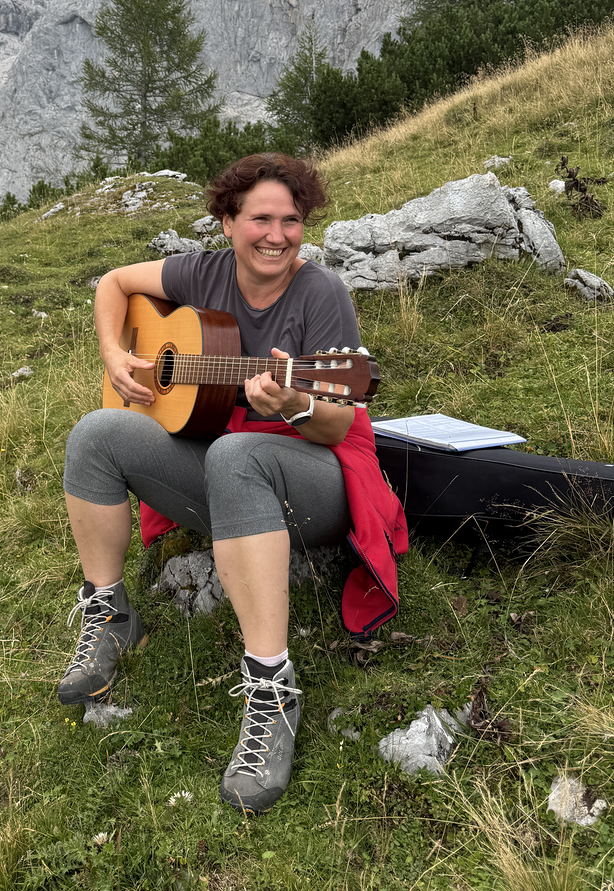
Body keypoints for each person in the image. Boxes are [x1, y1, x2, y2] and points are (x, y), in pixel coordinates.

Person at [59, 152, 405, 815]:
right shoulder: (201, 272)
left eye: (292, 220)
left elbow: (338, 423)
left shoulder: (321, 294)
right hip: (233, 472)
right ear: (226, 222)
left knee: (235, 451)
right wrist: (113, 351)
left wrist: (294, 403)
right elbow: (113, 282)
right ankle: (109, 612)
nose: (277, 235)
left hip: (318, 480)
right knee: (95, 432)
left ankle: (271, 690)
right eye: (261, 219)